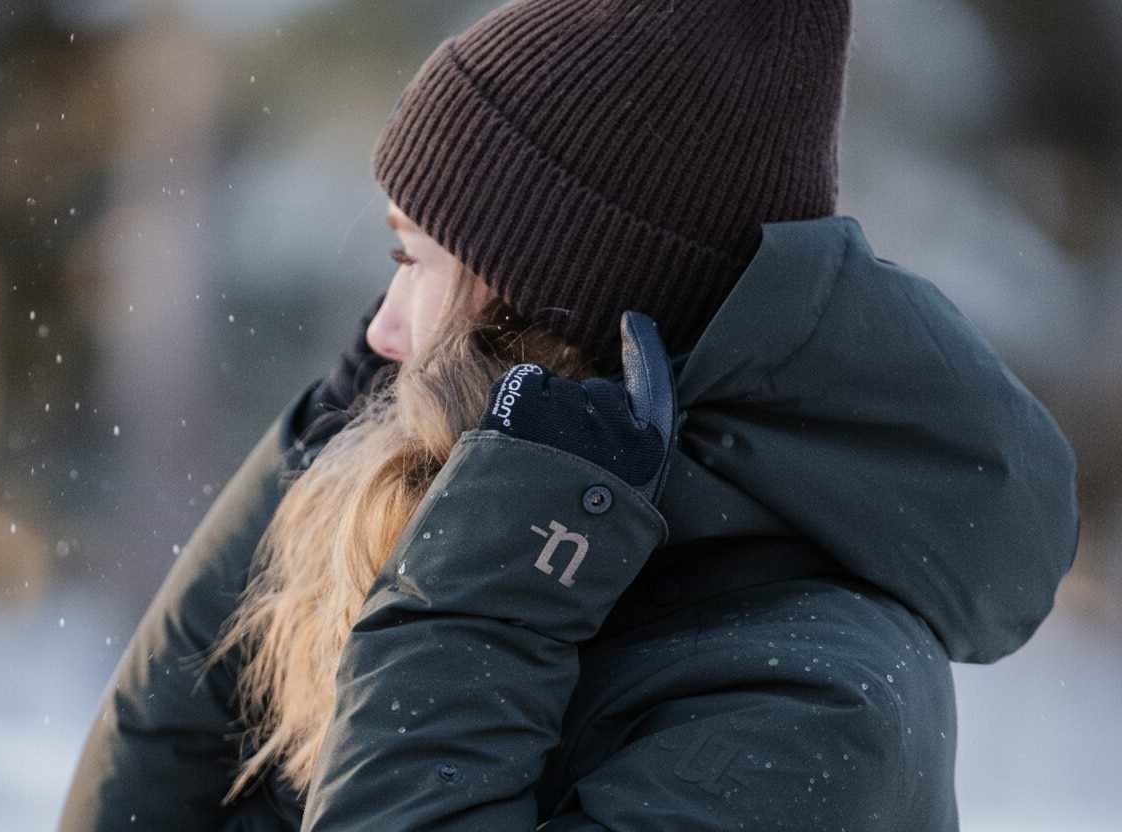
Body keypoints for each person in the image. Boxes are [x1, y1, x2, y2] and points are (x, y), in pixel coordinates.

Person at [58, 1, 1080, 830]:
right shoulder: (476, 540)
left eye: (414, 262)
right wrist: (315, 453)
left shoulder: (820, 709)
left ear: (556, 315)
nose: (382, 331)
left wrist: (490, 602)